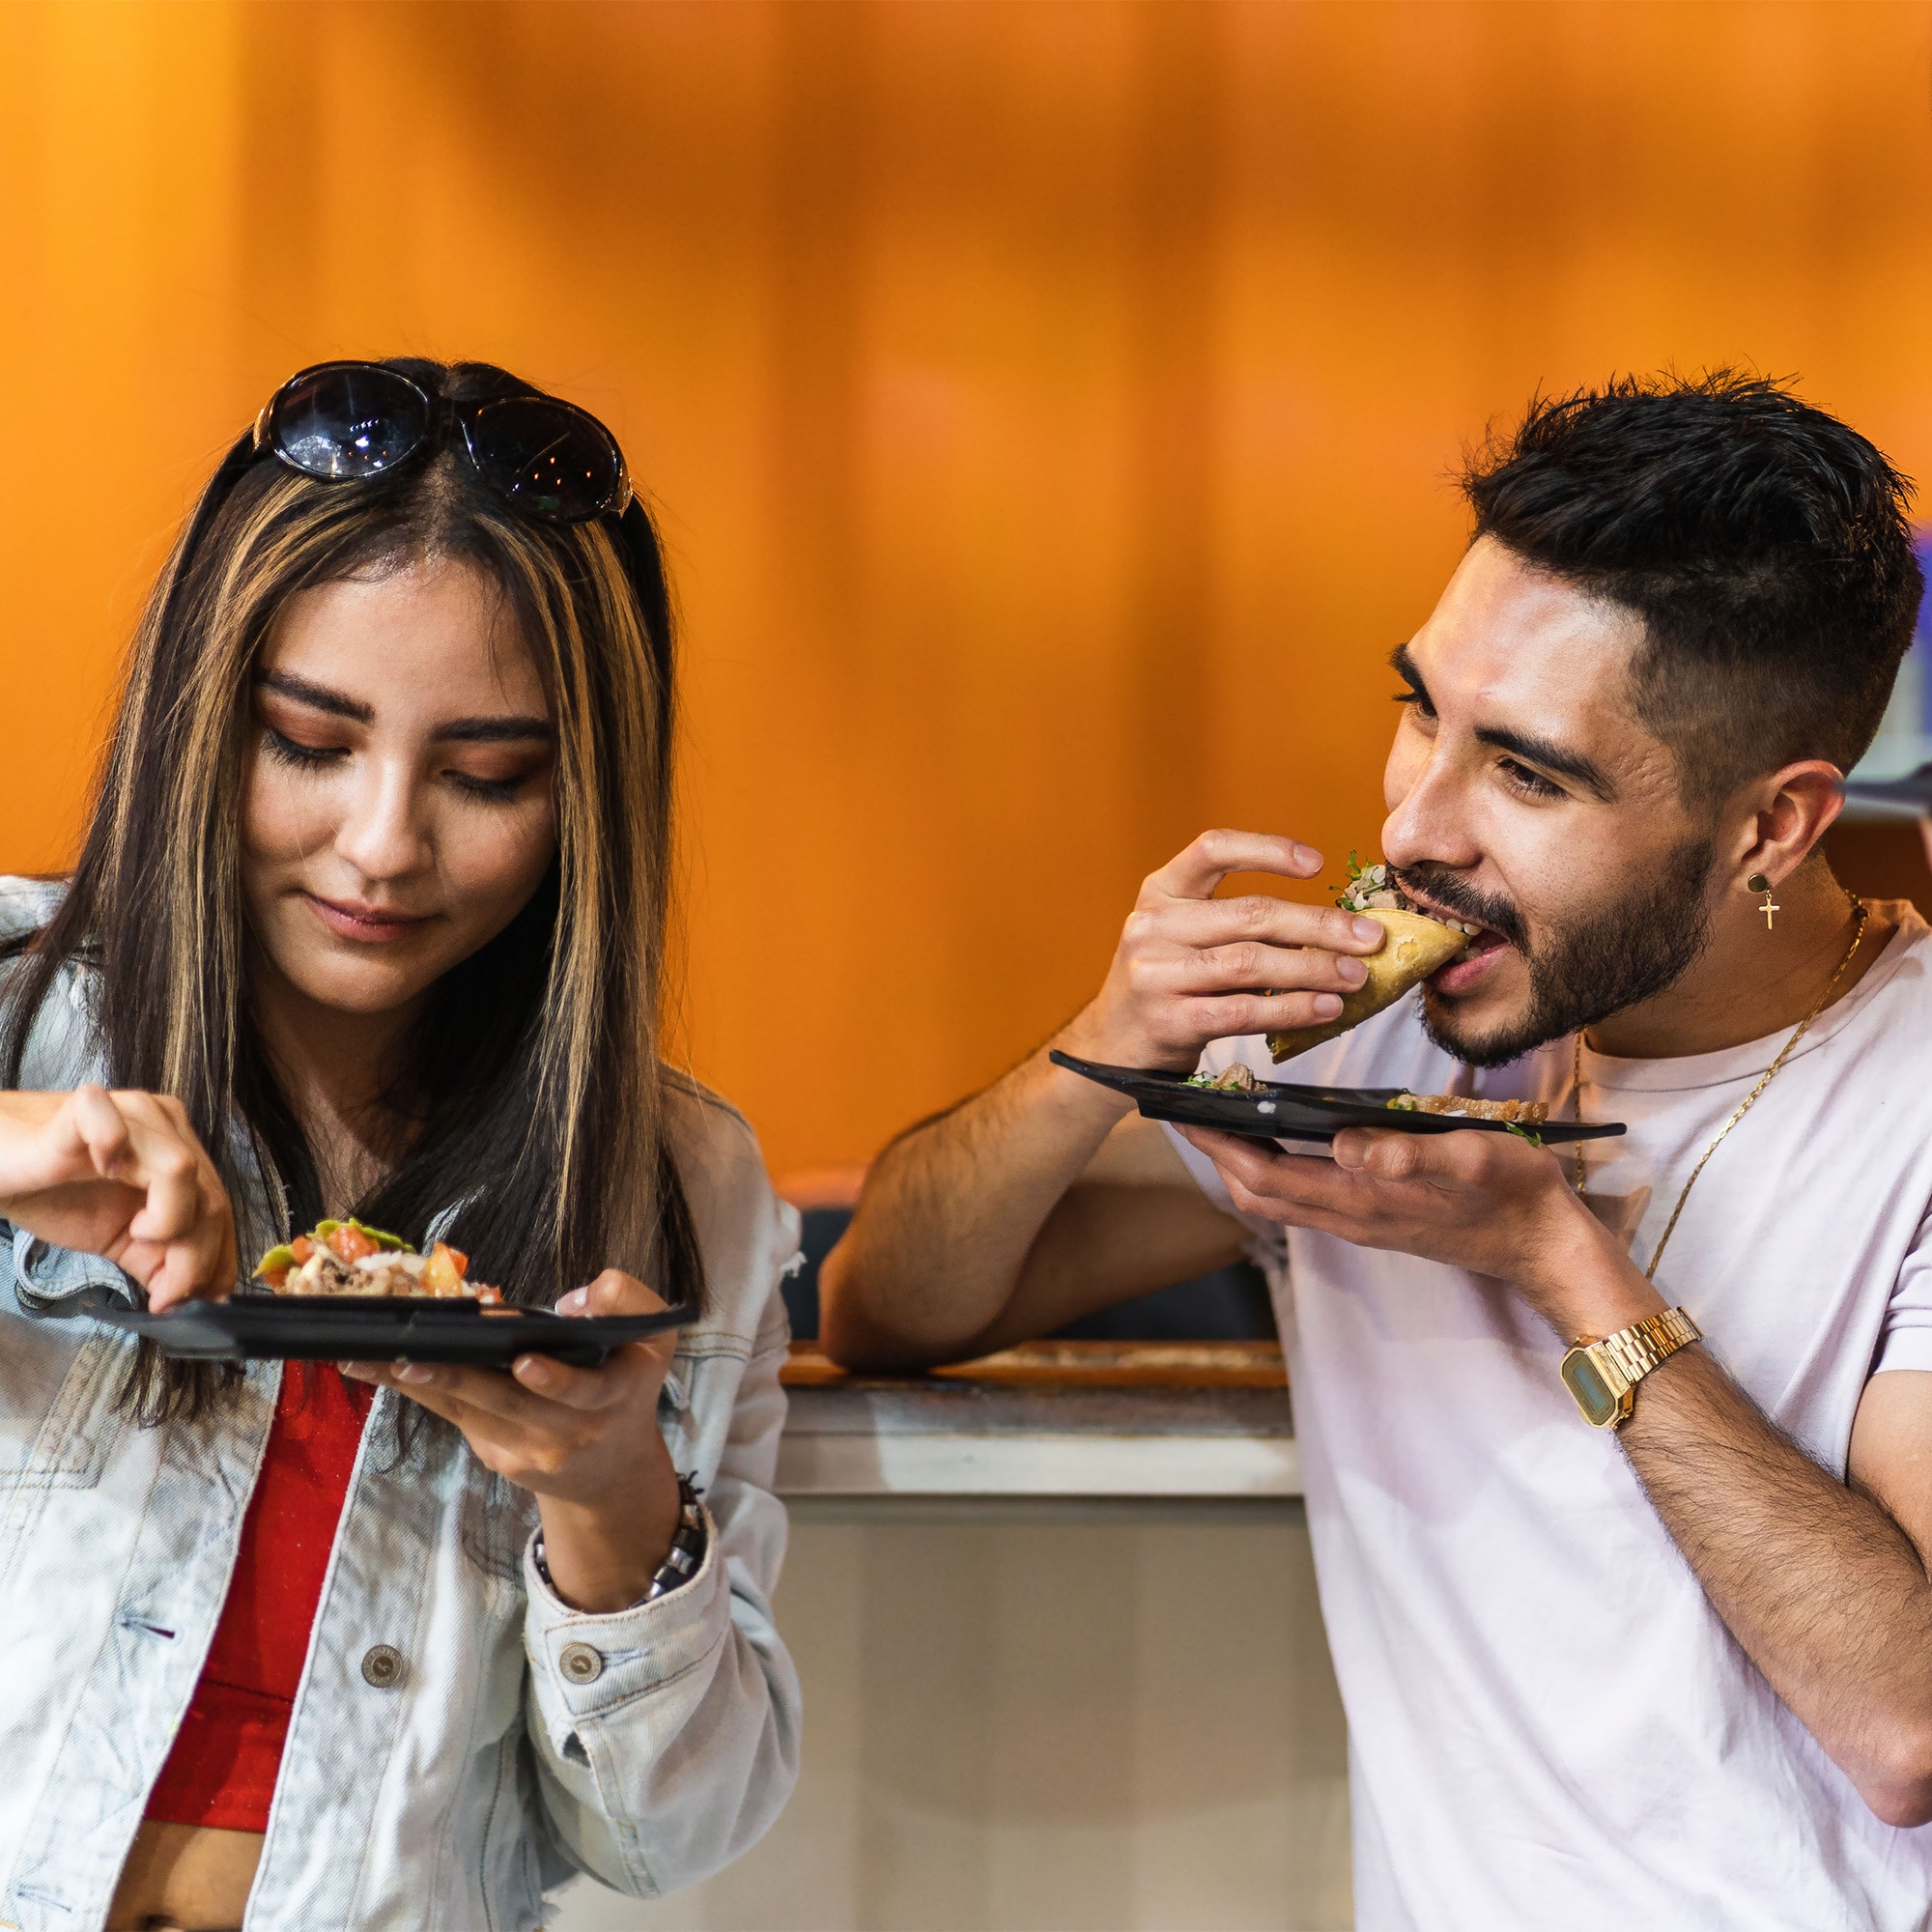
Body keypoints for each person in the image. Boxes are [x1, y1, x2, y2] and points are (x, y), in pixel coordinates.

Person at [821, 372, 1932, 1929]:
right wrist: (1105, 1044)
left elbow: (1906, 1725)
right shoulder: (1381, 1042)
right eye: (1423, 709)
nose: (1417, 824)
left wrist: (1555, 1257)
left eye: (1528, 773)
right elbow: (891, 1304)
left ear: (1774, 828)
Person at [0, 360, 800, 1931]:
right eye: (309, 742)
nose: (382, 844)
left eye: (488, 776)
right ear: (200, 721)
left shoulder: (680, 1182)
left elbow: (667, 1837)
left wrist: (612, 1495)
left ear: (588, 802)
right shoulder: (17, 1017)